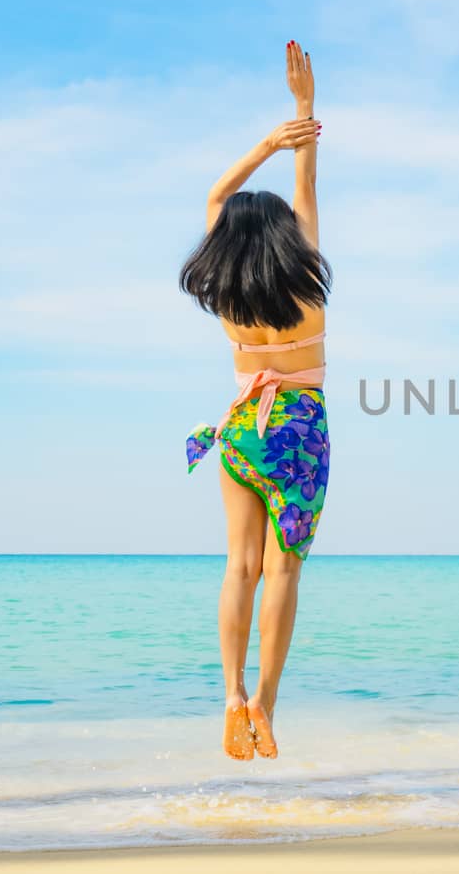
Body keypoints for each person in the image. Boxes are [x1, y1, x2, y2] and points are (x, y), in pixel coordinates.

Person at [179, 40, 330, 760]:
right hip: (297, 429)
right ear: (281, 238)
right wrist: (304, 115)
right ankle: (267, 704)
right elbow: (308, 185)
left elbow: (215, 197)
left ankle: (231, 694)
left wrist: (269, 140)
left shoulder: (227, 292)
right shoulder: (303, 272)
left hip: (240, 426)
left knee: (237, 564)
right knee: (283, 567)